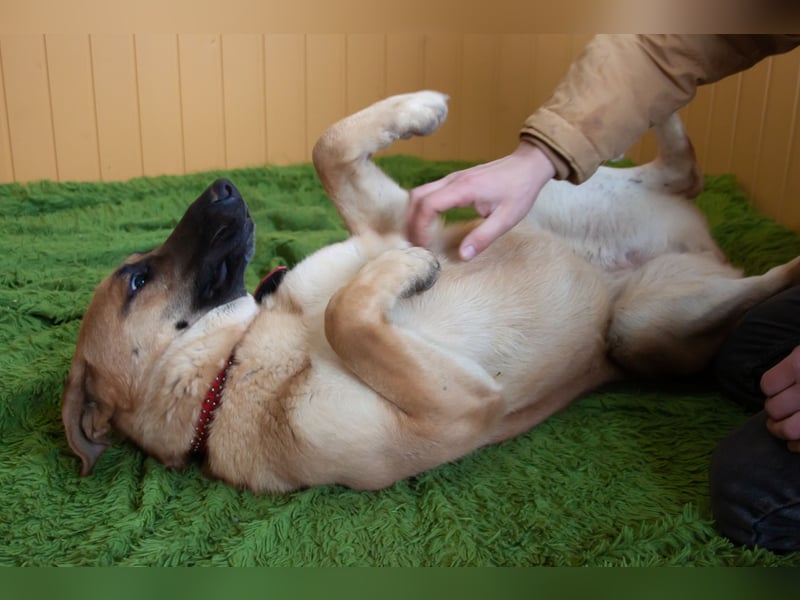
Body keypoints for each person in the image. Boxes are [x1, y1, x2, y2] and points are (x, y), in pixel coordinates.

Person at [406, 34, 800, 553]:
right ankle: (671, 181)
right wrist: (538, 155)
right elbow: (664, 40)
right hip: (649, 259)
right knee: (744, 359)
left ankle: (774, 273)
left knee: (752, 497)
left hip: (651, 284)